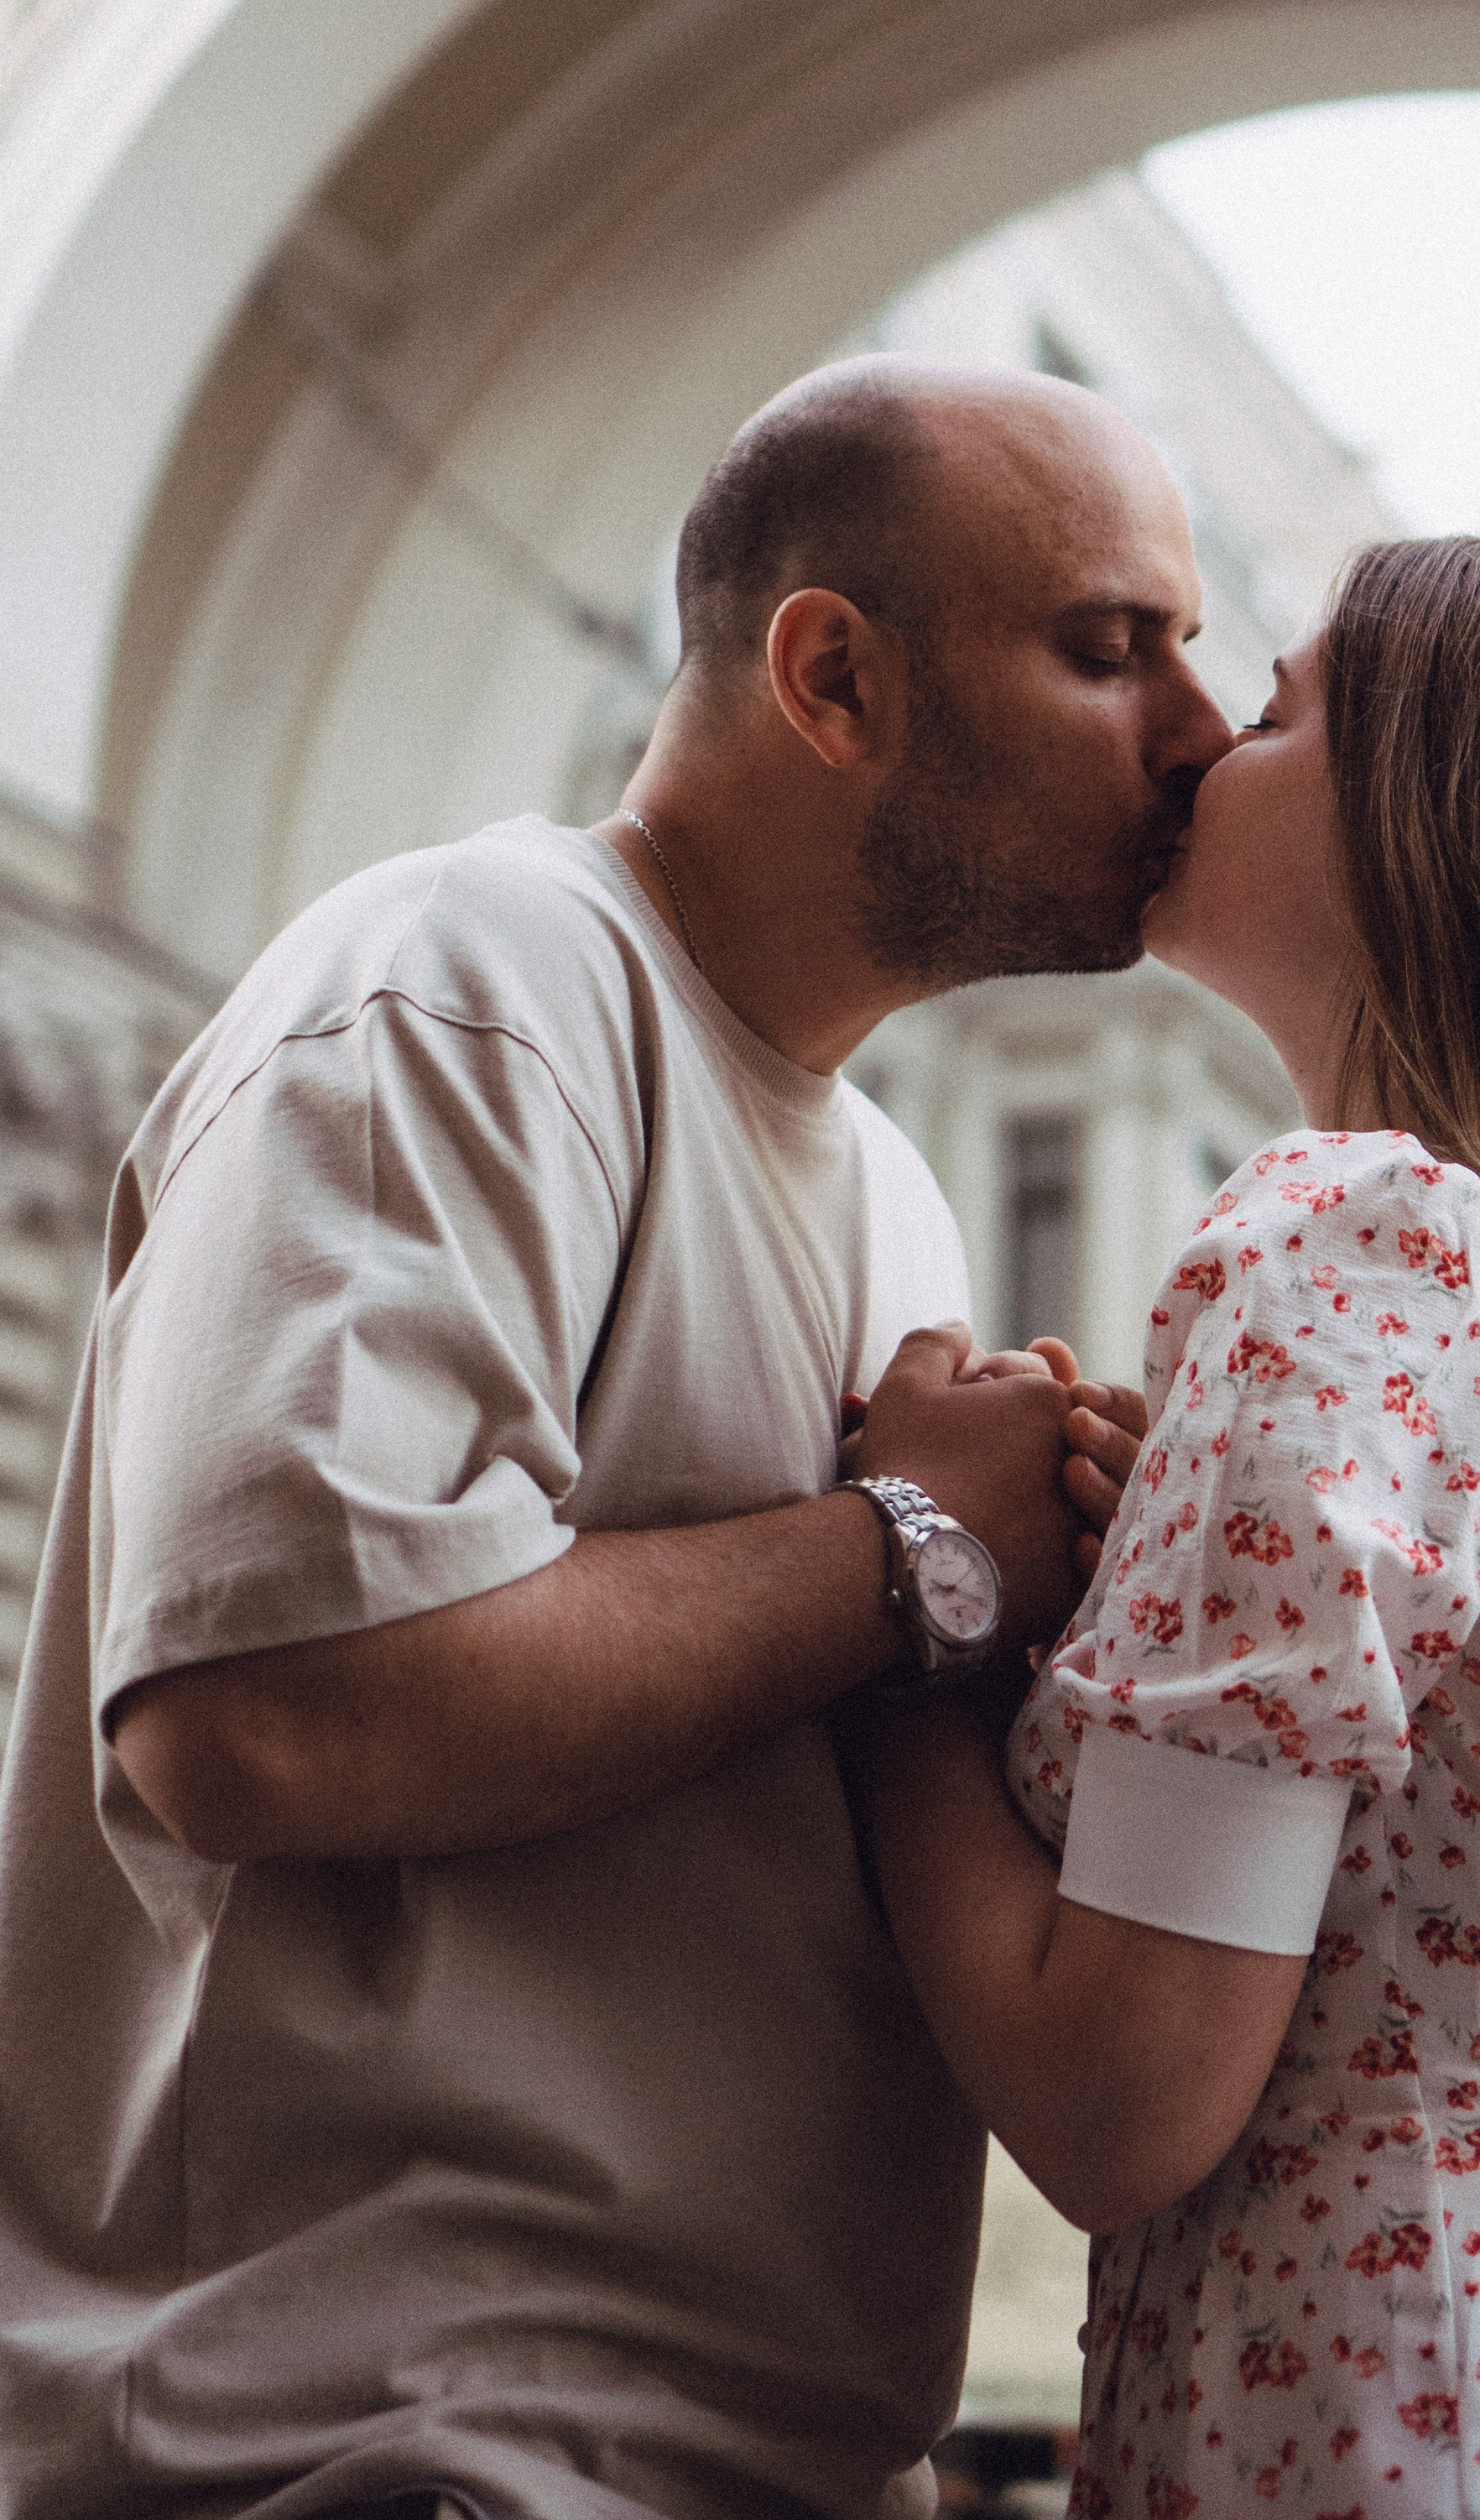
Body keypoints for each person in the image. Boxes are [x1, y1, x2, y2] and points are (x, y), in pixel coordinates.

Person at [0, 358, 1235, 2520]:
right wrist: (908, 1545)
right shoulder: (468, 985)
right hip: (392, 2451)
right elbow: (259, 1714)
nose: (1194, 733)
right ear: (832, 677)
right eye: (1104, 649)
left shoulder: (889, 1189)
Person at [857, 535, 1480, 2520]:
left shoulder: (1346, 1230)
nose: (1200, 739)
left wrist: (911, 1587)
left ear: (1447, 825)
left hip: (1411, 2415)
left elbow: (1118, 2097)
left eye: (1282, 708)